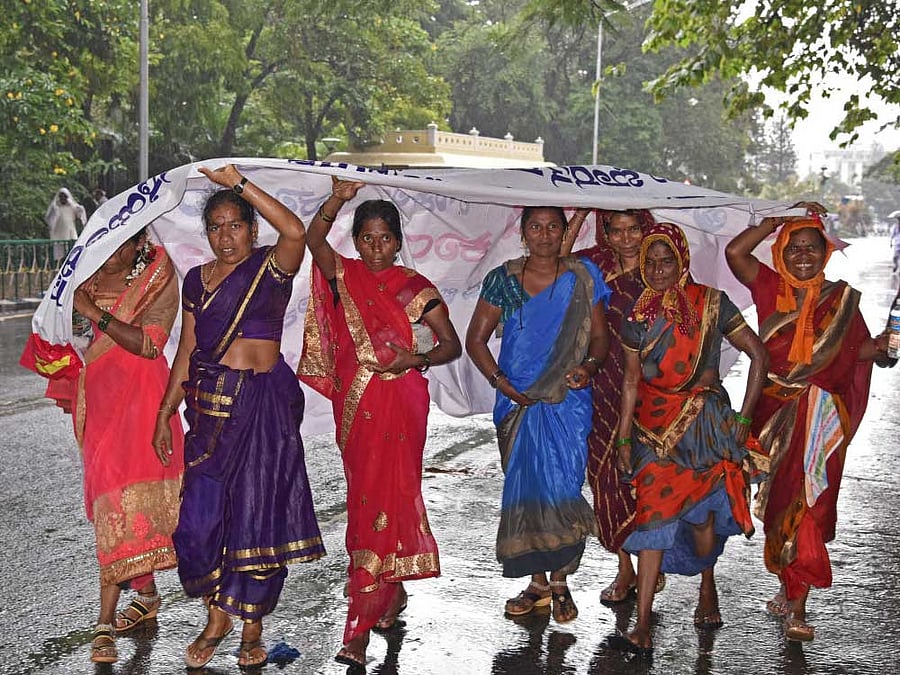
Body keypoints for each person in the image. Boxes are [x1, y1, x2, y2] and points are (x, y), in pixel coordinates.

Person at [152, 164, 325, 669]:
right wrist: (166, 411)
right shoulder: (195, 280)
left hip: (263, 407)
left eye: (235, 225)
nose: (225, 236)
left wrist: (236, 182)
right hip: (208, 410)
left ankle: (251, 628)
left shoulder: (272, 268)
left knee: (257, 518)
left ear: (252, 229)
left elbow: (295, 230)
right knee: (199, 523)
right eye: (216, 226)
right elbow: (186, 348)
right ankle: (217, 613)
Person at [298, 177, 462, 669]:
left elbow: (450, 345)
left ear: (397, 240)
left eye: (384, 238)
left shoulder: (415, 287)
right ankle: (385, 590)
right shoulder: (343, 275)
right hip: (357, 408)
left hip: (401, 402)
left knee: (390, 497)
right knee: (365, 499)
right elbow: (312, 240)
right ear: (356, 240)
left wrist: (413, 359)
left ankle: (358, 628)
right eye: (366, 238)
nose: (375, 248)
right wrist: (337, 198)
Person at [725, 210, 891, 642]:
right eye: (794, 247)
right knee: (781, 507)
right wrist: (775, 221)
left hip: (823, 422)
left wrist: (887, 347)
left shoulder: (842, 300)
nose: (802, 256)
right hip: (774, 415)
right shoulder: (768, 287)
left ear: (825, 253)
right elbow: (735, 251)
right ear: (781, 252)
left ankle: (798, 605)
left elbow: (858, 351)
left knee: (812, 508)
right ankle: (787, 581)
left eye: (811, 248)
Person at [26, 228, 184, 664]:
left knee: (139, 506)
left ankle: (107, 621)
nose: (112, 253)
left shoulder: (158, 277)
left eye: (123, 244)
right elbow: (59, 338)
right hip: (100, 406)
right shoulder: (80, 282)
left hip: (146, 407)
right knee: (112, 507)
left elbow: (150, 345)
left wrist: (94, 312)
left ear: (139, 245)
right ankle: (142, 596)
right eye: (105, 245)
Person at [615, 222, 769, 656]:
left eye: (667, 261)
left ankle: (707, 579)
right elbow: (630, 381)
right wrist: (624, 440)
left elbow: (759, 354)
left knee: (702, 526)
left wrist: (744, 417)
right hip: (651, 429)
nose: (660, 270)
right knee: (652, 518)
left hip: (704, 429)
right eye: (651, 262)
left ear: (682, 260)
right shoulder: (637, 317)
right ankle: (643, 621)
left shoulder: (711, 304)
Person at [466, 205, 611, 626]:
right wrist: (500, 381)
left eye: (553, 227)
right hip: (518, 402)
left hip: (567, 402)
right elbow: (476, 340)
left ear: (563, 232)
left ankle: (561, 580)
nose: (544, 234)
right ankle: (537, 582)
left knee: (563, 490)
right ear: (523, 232)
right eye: (536, 226)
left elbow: (600, 338)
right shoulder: (504, 280)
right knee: (526, 492)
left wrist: (590, 368)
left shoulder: (582, 278)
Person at [564, 208, 667, 604]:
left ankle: (650, 566)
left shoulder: (661, 268)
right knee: (605, 475)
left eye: (633, 229)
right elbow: (560, 257)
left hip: (652, 387)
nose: (625, 239)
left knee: (647, 477)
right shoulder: (595, 264)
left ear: (646, 230)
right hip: (600, 379)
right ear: (605, 233)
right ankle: (625, 567)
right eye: (616, 230)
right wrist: (582, 210)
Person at [45, 187, 87, 263]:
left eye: (65, 196)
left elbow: (79, 215)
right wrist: (54, 212)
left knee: (71, 252)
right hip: (59, 233)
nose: (63, 198)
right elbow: (49, 220)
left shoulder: (72, 206)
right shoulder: (55, 206)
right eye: (61, 197)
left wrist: (80, 210)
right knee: (60, 252)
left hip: (70, 232)